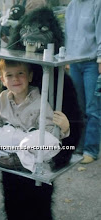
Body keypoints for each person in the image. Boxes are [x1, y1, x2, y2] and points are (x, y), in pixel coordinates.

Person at [0, 59, 70, 173]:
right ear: (3, 80)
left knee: (43, 137)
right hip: (4, 142)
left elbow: (49, 133)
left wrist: (65, 128)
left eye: (20, 73)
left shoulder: (40, 101)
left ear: (30, 76)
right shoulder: (2, 98)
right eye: (9, 75)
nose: (15, 79)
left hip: (27, 145)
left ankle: (20, 160)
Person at [65, 0, 101, 164]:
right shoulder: (71, 6)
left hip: (92, 63)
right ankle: (78, 146)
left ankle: (91, 149)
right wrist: (65, 56)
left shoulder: (97, 4)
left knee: (92, 108)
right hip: (74, 62)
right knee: (77, 106)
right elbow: (67, 34)